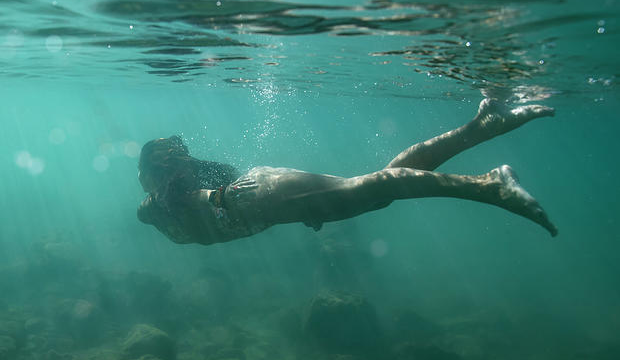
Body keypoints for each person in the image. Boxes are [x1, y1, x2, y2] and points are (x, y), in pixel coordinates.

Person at [136, 99, 558, 245]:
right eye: (167, 159)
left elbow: (179, 203)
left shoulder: (166, 200)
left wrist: (216, 198)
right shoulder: (164, 198)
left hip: (257, 194)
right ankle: (481, 127)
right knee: (379, 188)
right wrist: (297, 208)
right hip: (265, 198)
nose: (175, 163)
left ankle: (488, 186)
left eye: (175, 157)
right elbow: (168, 205)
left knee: (373, 187)